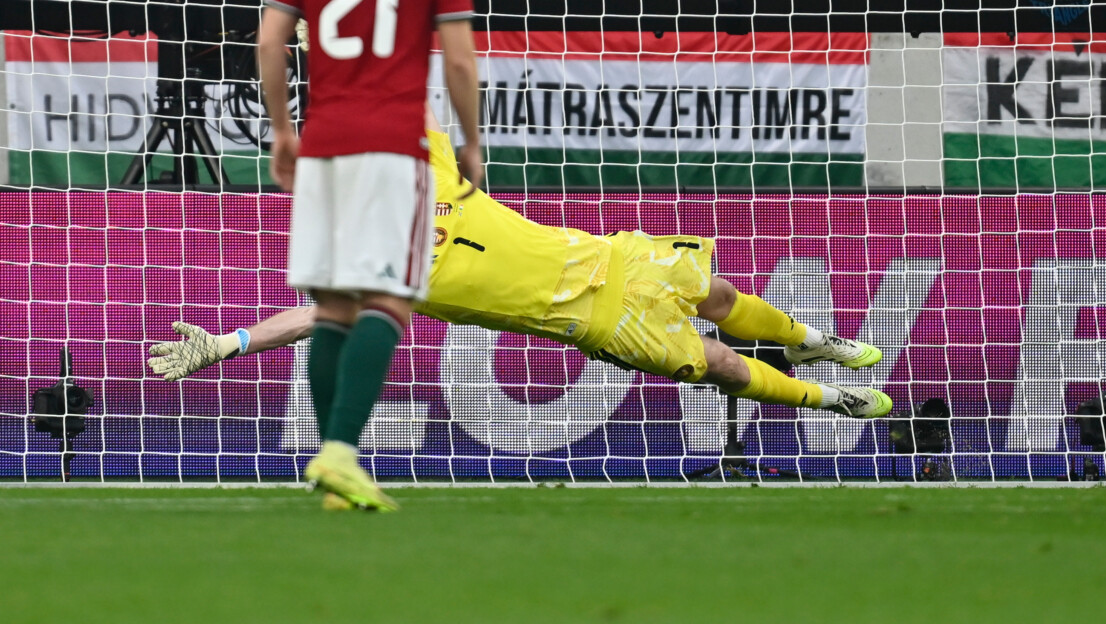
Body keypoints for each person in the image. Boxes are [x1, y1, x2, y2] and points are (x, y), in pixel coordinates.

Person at [148, 117, 889, 422]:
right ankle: (830, 396)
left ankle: (809, 337)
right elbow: (314, 317)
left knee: (719, 291)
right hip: (597, 319)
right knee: (722, 365)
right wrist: (226, 343)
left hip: (612, 257)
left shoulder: (431, 166)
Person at [250, 0, 475, 513]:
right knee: (388, 298)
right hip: (391, 142)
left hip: (323, 139)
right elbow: (461, 59)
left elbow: (270, 39)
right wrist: (471, 141)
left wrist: (284, 128)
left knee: (332, 303)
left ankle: (332, 469)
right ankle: (342, 451)